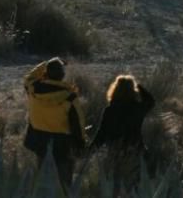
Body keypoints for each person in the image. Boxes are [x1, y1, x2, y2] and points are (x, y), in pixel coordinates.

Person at [23, 58, 86, 190]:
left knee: (42, 180)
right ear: (62, 76)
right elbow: (78, 124)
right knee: (64, 183)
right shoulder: (70, 97)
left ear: (45, 74)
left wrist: (48, 63)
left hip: (38, 139)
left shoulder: (33, 88)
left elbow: (30, 76)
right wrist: (80, 145)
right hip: (62, 143)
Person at [90, 75, 156, 194]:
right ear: (133, 91)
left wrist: (90, 150)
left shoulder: (110, 110)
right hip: (135, 151)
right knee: (134, 186)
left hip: (115, 153)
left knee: (115, 186)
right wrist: (138, 85)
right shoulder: (137, 108)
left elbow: (101, 133)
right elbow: (150, 101)